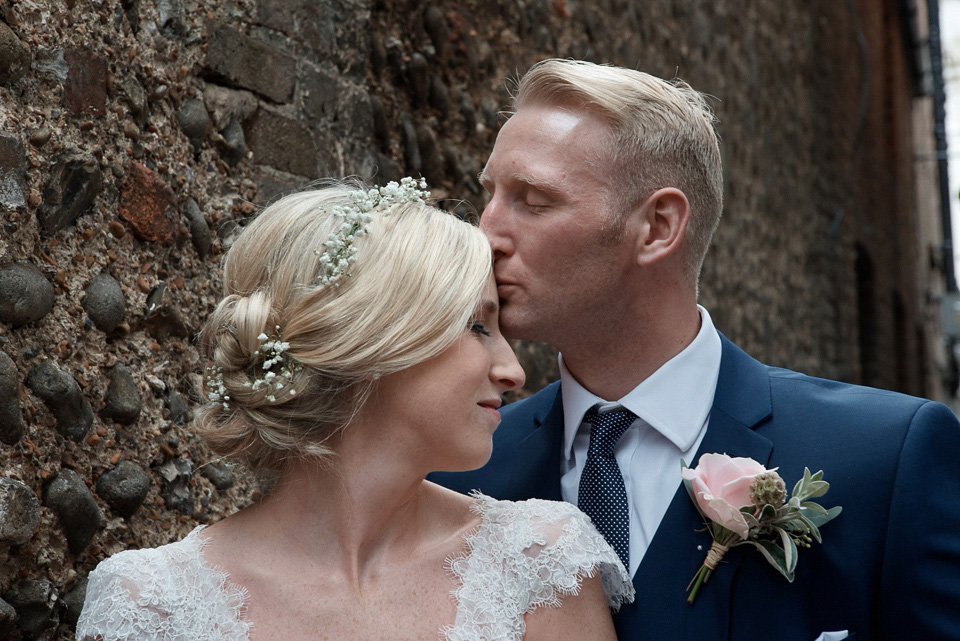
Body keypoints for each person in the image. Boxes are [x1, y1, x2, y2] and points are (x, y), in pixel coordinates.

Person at [432, 60, 960, 641]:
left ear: (658, 226)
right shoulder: (458, 471)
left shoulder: (885, 459)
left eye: (532, 201)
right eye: (490, 196)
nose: (486, 235)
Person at [76, 178, 634, 641]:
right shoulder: (149, 607)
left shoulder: (541, 565)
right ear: (372, 342)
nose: (514, 370)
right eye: (477, 326)